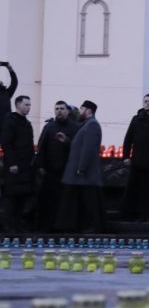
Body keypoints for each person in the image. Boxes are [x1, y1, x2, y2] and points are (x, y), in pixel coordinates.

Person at [57, 100, 105, 232]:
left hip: (84, 174)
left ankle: (92, 227)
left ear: (89, 110)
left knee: (89, 202)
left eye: (82, 109)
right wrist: (67, 141)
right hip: (81, 174)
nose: (79, 111)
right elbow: (79, 146)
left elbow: (88, 148)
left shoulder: (92, 125)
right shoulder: (87, 125)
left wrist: (81, 168)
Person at [34, 100, 80, 231]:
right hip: (49, 171)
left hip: (66, 171)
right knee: (48, 200)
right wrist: (40, 166)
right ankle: (46, 226)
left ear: (68, 111)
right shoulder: (49, 127)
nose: (59, 111)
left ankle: (64, 227)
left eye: (62, 108)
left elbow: (77, 149)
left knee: (65, 201)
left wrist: (66, 141)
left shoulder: (74, 127)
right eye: (57, 109)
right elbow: (41, 147)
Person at [1, 95, 35, 232]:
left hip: (25, 167)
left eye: (29, 105)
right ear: (18, 105)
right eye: (26, 104)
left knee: (22, 198)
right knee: (11, 198)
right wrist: (12, 163)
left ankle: (17, 225)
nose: (29, 107)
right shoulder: (10, 121)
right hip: (14, 168)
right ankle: (8, 227)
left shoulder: (26, 123)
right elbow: (6, 143)